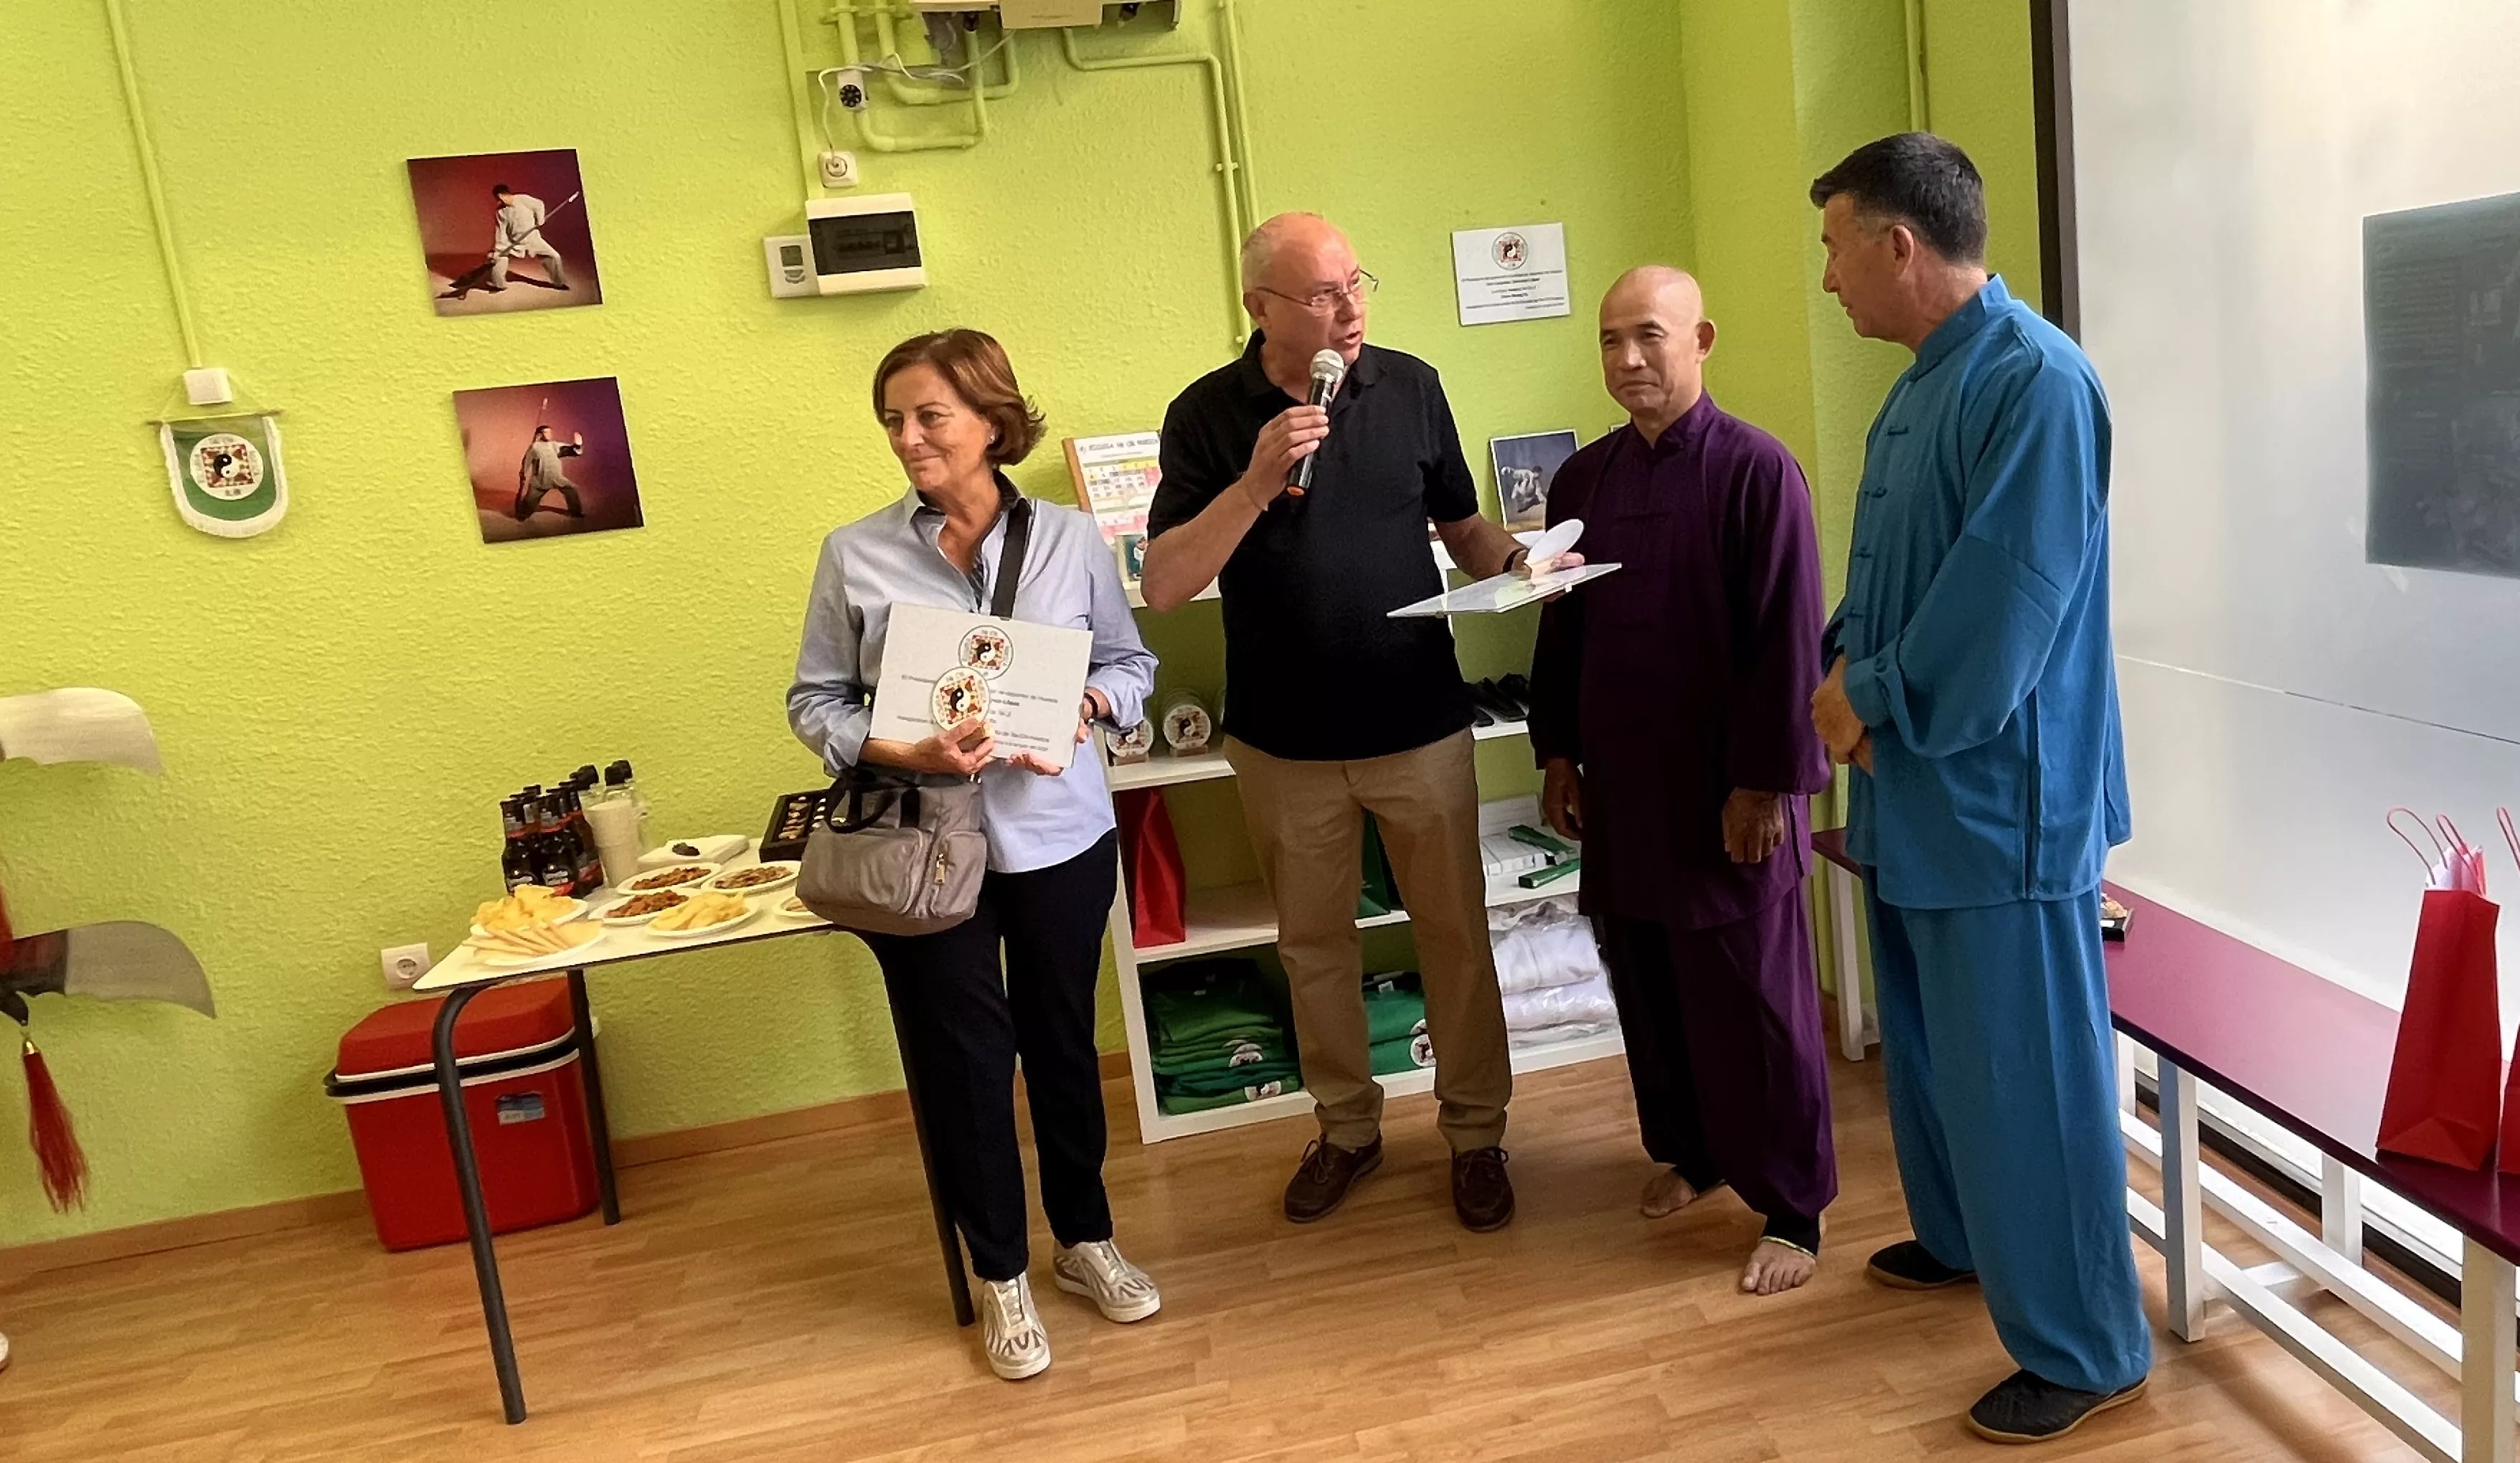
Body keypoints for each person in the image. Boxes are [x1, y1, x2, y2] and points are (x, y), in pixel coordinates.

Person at [1804, 133, 2149, 1444]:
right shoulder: (1920, 380)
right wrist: (1842, 665)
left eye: (1835, 245)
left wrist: (1868, 698)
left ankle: (2085, 1347)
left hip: (2003, 798)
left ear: (1898, 244)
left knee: (2027, 1078)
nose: (1827, 277)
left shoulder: (2034, 383)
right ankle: (1959, 1242)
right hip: (1911, 786)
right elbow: (1887, 571)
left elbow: (2005, 601)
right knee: (1936, 1056)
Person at [1142, 213, 1557, 1233]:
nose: (1350, 307)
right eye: (1323, 294)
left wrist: (1517, 564)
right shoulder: (1205, 415)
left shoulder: (1410, 386)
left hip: (1418, 722)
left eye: (1356, 284)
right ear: (1261, 310)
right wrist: (1252, 480)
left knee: (1454, 937)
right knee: (1314, 948)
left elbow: (1460, 524)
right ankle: (1346, 1130)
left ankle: (1476, 1134)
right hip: (1283, 741)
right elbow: (1165, 584)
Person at [787, 328, 1161, 1383]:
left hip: (1060, 838)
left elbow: (1132, 662)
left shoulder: (1073, 542)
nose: (907, 438)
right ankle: (999, 1273)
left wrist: (1090, 700)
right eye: (893, 420)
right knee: (963, 1066)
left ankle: (1085, 1239)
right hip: (923, 851)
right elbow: (813, 698)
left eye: (928, 416)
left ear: (992, 421)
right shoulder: (853, 553)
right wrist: (892, 744)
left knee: (1060, 1047)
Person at [1529, 266, 1837, 1297]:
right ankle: (1695, 1154)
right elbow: (1559, 631)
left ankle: (1794, 1208)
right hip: (1625, 792)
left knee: (1757, 1003)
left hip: (1727, 797)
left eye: (1648, 337)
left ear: (1699, 338)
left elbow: (1790, 642)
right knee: (1651, 991)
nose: (1627, 360)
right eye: (1610, 341)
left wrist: (1764, 786)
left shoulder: (1759, 472)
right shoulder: (1582, 484)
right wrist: (1556, 750)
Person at [488, 184, 567, 292]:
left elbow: (539, 205)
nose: (500, 200)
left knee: (554, 256)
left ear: (501, 195)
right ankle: (499, 285)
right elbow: (501, 231)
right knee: (499, 258)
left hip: (532, 238)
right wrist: (498, 249)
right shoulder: (500, 211)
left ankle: (559, 283)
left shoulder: (523, 199)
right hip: (514, 242)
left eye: (500, 197)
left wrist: (540, 220)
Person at [514, 424, 585, 520]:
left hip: (557, 478)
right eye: (546, 432)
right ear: (540, 435)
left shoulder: (554, 445)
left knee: (571, 491)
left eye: (550, 432)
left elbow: (567, 450)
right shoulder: (535, 448)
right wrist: (523, 474)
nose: (549, 434)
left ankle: (576, 512)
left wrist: (577, 445)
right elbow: (526, 461)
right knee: (530, 500)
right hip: (541, 480)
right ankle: (523, 515)